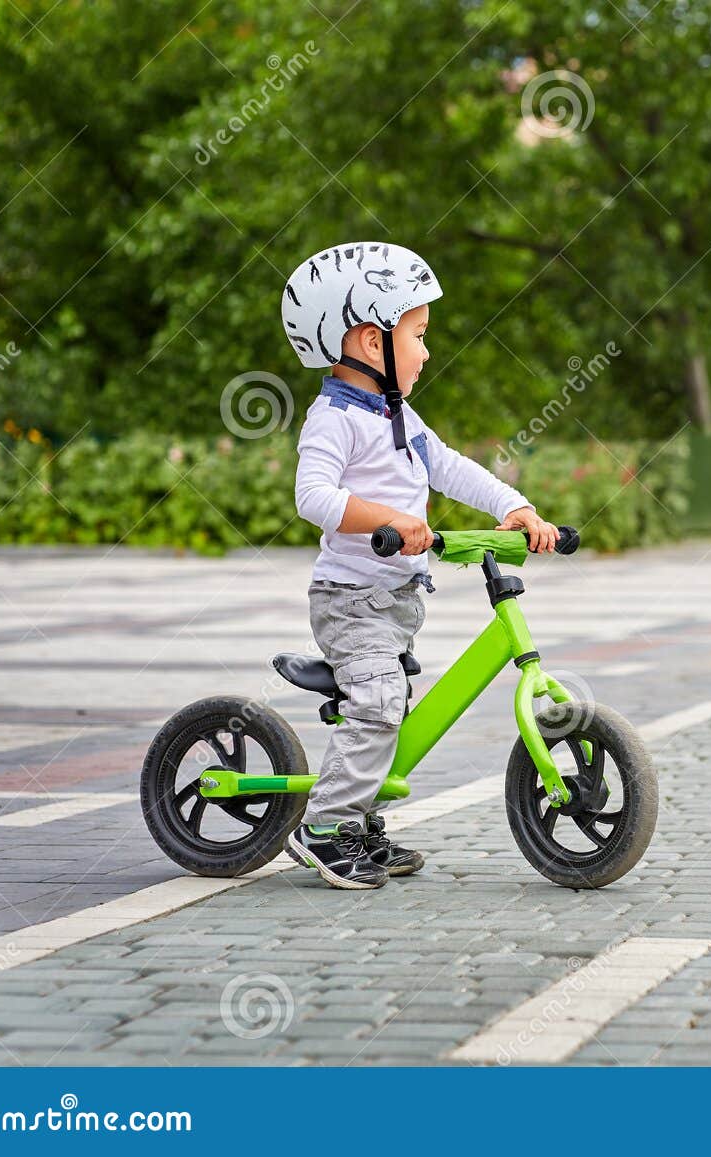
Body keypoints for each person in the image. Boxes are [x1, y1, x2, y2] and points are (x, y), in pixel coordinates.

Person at [280, 241, 559, 889]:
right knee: (379, 706)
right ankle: (324, 827)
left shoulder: (394, 413)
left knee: (391, 710)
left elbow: (449, 466)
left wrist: (514, 507)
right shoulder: (334, 419)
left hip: (397, 598)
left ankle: (359, 821)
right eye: (418, 334)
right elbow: (312, 497)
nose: (427, 350)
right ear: (370, 342)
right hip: (350, 598)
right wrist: (387, 517)